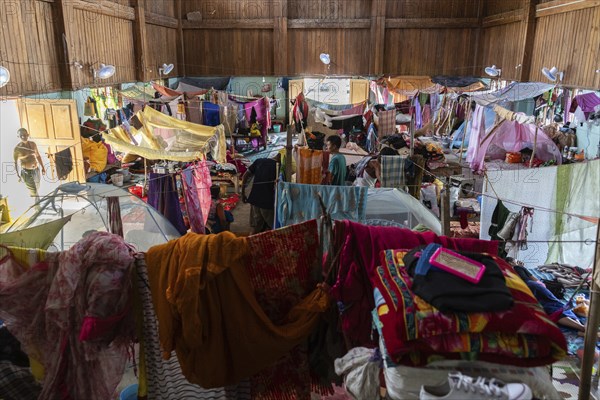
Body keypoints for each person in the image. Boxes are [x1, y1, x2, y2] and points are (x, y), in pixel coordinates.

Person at [506, 258, 589, 335]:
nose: (518, 262)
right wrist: (522, 267)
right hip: (532, 285)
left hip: (522, 290)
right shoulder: (518, 267)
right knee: (555, 304)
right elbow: (535, 280)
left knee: (548, 308)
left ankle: (579, 327)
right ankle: (581, 327)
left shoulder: (506, 273)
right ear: (511, 262)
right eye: (516, 261)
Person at [241, 153, 280, 234]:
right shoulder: (278, 166)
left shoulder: (259, 161)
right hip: (267, 202)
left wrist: (243, 193)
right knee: (274, 228)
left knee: (255, 227)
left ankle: (249, 244)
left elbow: (245, 176)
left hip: (255, 200)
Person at [13, 128, 46, 203]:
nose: (23, 137)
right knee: (34, 191)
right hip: (26, 172)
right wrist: (18, 174)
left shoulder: (33, 144)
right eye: (21, 136)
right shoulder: (17, 149)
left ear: (28, 135)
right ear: (18, 136)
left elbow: (38, 156)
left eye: (25, 135)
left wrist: (43, 167)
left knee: (37, 188)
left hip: (36, 170)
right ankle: (38, 208)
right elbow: (15, 162)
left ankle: (34, 204)